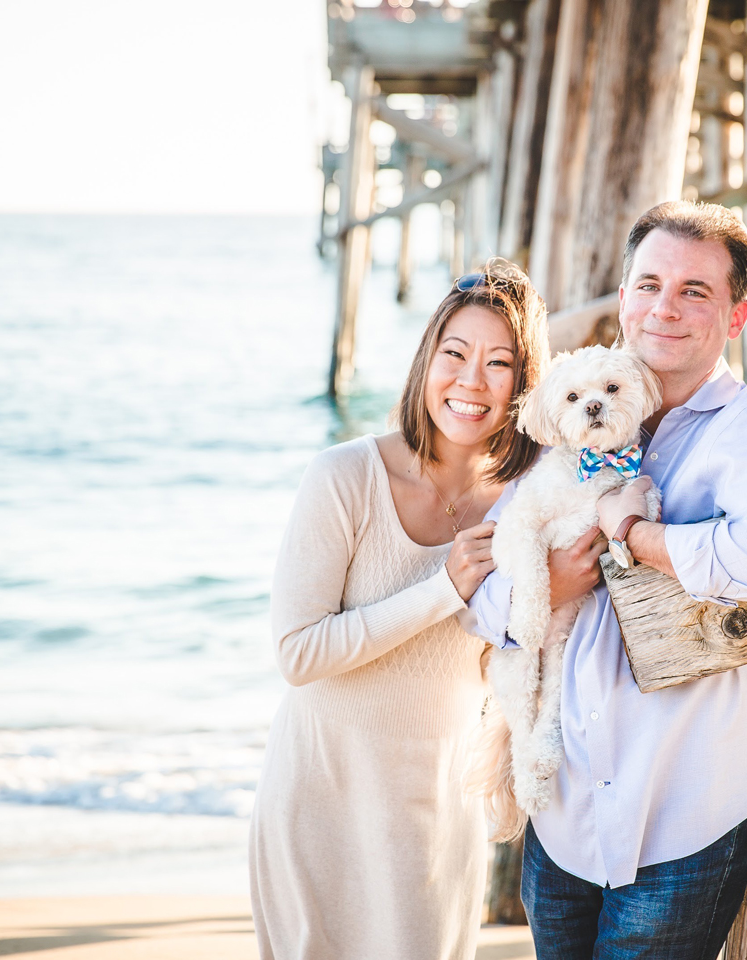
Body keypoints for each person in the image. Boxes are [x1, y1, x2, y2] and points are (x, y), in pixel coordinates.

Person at [465, 201, 747, 960]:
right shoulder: (569, 431)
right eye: (649, 284)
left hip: (681, 819)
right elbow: (486, 587)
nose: (665, 307)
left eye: (696, 291)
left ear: (735, 318)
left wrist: (639, 535)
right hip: (563, 818)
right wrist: (554, 589)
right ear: (624, 298)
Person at [249, 262, 549, 960]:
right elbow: (298, 653)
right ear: (427, 362)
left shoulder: (526, 500)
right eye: (456, 354)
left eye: (499, 363)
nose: (471, 381)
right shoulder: (345, 477)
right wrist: (443, 589)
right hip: (319, 802)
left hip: (435, 817)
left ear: (523, 386)